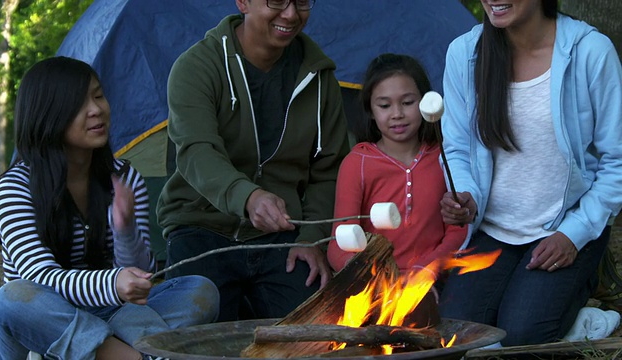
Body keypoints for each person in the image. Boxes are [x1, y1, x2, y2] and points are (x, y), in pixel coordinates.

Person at [0, 57, 219, 360]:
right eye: (78, 104)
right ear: (47, 115)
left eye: (98, 96)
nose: (96, 109)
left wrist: (125, 231)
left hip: (110, 313)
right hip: (46, 323)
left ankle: (86, 352)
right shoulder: (16, 186)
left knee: (200, 291)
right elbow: (37, 277)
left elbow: (141, 275)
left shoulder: (123, 177)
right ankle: (134, 355)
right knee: (10, 299)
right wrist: (112, 283)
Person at [438, 0, 622, 346]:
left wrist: (575, 233)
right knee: (456, 333)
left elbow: (618, 161)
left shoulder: (591, 53)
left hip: (566, 225)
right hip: (493, 230)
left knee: (524, 335)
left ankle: (585, 302)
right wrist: (467, 194)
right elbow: (457, 147)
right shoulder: (464, 53)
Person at [156, 0, 350, 322]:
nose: (290, 14)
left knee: (315, 330)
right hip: (200, 227)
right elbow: (196, 151)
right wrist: (248, 197)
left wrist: (310, 238)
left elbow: (328, 171)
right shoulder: (198, 66)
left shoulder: (319, 77)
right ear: (243, 2)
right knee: (196, 336)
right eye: (276, 1)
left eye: (302, 2)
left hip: (283, 237)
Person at [327, 54, 468, 279]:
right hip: (373, 282)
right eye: (384, 105)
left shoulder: (445, 155)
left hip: (434, 277)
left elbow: (457, 231)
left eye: (407, 102)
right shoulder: (358, 163)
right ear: (370, 111)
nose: (397, 114)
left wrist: (425, 271)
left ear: (426, 102)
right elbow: (339, 243)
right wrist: (371, 277)